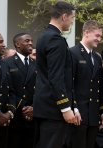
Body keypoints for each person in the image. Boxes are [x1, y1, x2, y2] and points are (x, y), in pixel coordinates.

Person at [33, 2, 76, 148]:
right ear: (64, 16)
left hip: (44, 106)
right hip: (53, 108)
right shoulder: (55, 39)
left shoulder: (44, 36)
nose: (71, 22)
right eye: (72, 18)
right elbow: (56, 77)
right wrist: (65, 108)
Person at [66, 20, 103, 148]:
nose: (99, 39)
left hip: (93, 115)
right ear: (87, 32)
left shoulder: (97, 57)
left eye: (100, 36)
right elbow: (69, 84)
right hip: (78, 114)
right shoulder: (72, 53)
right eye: (97, 36)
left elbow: (100, 86)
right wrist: (74, 108)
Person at [2, 33, 35, 148]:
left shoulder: (36, 64)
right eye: (27, 41)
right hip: (15, 115)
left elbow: (41, 88)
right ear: (17, 44)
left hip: (33, 116)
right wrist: (23, 106)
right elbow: (7, 89)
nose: (31, 43)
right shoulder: (7, 63)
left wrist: (33, 107)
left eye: (31, 40)